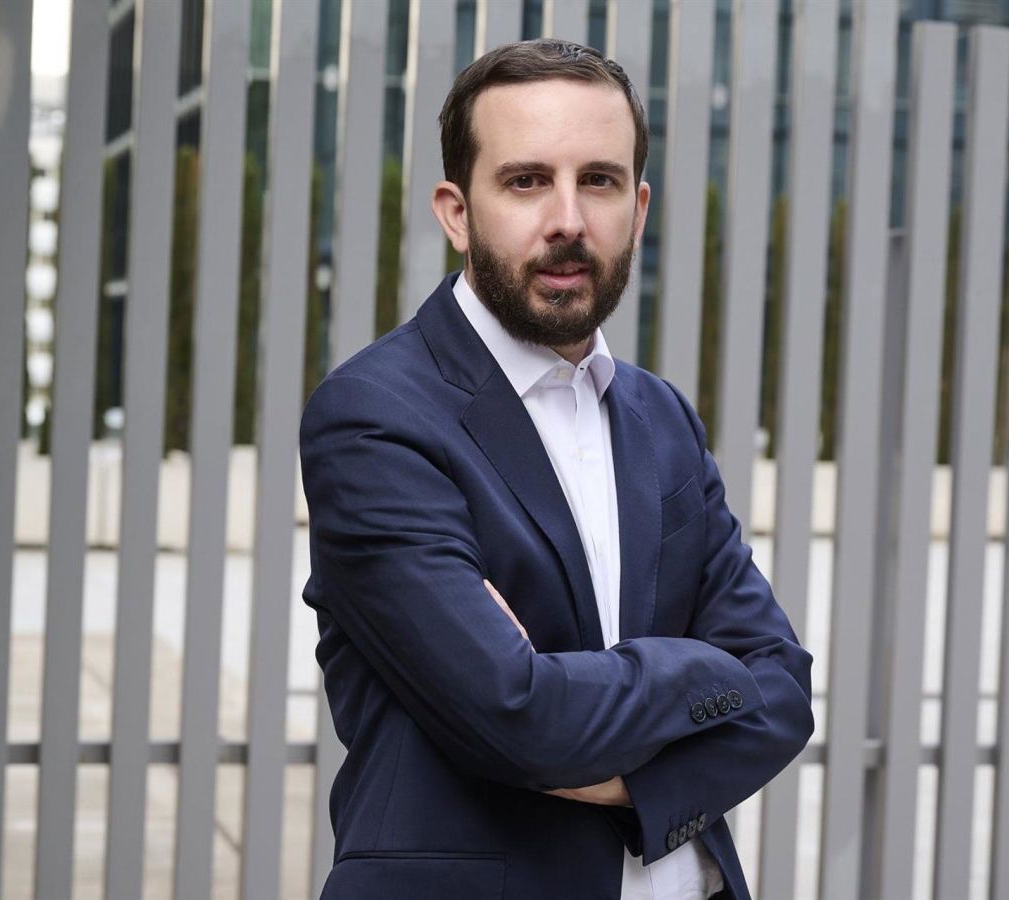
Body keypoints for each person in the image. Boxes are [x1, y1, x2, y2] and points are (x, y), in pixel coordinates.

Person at [300, 39, 813, 900]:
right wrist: (709, 671)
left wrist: (612, 748)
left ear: (638, 209)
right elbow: (517, 716)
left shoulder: (660, 417)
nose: (568, 219)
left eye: (599, 181)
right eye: (527, 181)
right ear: (457, 212)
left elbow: (784, 691)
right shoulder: (375, 418)